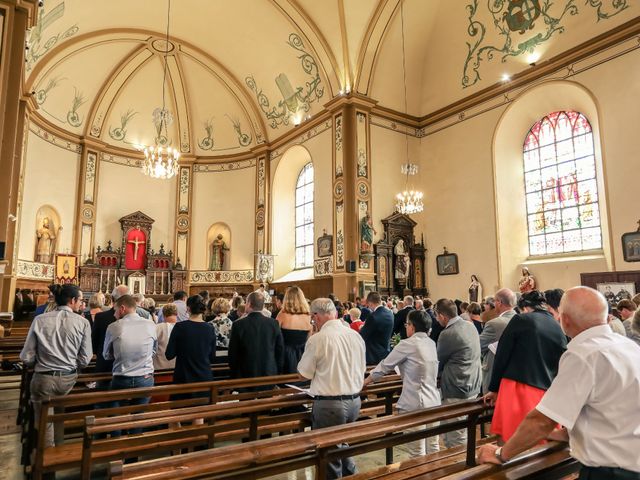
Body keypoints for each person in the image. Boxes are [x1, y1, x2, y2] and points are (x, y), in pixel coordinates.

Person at [478, 287, 640, 479]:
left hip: (610, 471)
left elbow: (542, 421)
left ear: (565, 319)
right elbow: (610, 409)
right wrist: (563, 434)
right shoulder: (629, 346)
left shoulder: (583, 354)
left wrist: (500, 454)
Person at [484, 290, 567, 443]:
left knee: (514, 437)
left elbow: (502, 355)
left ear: (525, 308)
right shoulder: (558, 327)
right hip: (546, 392)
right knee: (540, 440)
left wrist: (494, 388)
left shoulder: (522, 320)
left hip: (518, 387)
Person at [298, 298, 366, 479]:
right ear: (335, 314)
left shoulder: (318, 339)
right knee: (343, 447)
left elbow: (303, 374)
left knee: (328, 457)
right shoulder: (355, 335)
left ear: (316, 317)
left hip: (330, 405)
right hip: (354, 401)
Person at [20, 284, 92, 446]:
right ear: (72, 300)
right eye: (80, 300)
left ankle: (46, 462)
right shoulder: (82, 323)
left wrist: (39, 363)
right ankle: (57, 449)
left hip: (43, 378)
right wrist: (72, 366)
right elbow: (85, 358)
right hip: (68, 379)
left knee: (44, 422)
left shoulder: (40, 320)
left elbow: (26, 356)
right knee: (60, 415)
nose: (81, 303)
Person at [364, 309, 440, 457]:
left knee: (417, 451)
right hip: (433, 400)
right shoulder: (431, 343)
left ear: (411, 326)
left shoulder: (407, 344)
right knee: (433, 447)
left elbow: (385, 366)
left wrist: (365, 382)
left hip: (415, 402)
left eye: (406, 324)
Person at [435, 298, 481, 448]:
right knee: (460, 430)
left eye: (436, 316)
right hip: (473, 384)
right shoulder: (470, 326)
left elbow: (438, 361)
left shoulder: (448, 333)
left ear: (442, 316)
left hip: (457, 387)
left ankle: (461, 467)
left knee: (455, 436)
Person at [103, 295, 157, 404]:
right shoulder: (151, 324)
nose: (114, 314)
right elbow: (154, 351)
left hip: (121, 378)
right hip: (145, 377)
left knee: (116, 414)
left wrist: (120, 353)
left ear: (122, 308)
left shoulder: (114, 326)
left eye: (115, 310)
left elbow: (106, 355)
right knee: (139, 415)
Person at [166, 295, 217, 398]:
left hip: (184, 379)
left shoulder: (180, 327)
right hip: (204, 379)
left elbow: (169, 354)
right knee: (203, 412)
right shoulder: (210, 328)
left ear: (188, 308)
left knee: (181, 411)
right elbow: (212, 357)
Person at [228, 291, 284, 379]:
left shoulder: (238, 325)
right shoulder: (274, 323)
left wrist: (234, 373)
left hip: (245, 374)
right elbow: (280, 349)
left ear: (249, 304)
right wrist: (278, 370)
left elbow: (233, 353)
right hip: (269, 373)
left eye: (246, 302)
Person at [479, 288, 517, 394]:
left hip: (495, 374)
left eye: (494, 301)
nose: (493, 303)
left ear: (499, 302)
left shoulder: (494, 324)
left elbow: (478, 346)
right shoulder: (522, 319)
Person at [92, 285, 131, 385]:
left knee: (102, 395)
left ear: (112, 299)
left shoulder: (101, 317)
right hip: (129, 367)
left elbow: (94, 343)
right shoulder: (140, 318)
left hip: (105, 366)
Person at [276, 286, 312, 374]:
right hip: (303, 355)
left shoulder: (282, 314)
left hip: (285, 357)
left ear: (287, 298)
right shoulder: (308, 316)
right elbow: (309, 339)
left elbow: (275, 334)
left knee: (285, 383)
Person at [360, 291, 394, 365]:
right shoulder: (390, 313)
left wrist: (362, 327)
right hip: (386, 353)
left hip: (373, 356)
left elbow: (362, 336)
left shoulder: (373, 316)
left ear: (370, 303)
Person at [154, 304, 177, 372]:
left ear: (163, 315)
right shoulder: (183, 328)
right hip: (177, 368)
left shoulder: (157, 327)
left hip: (159, 369)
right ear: (176, 314)